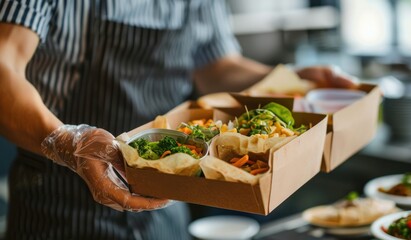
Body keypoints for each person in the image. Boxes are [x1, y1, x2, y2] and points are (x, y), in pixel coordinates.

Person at [0, 1, 356, 239]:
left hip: (167, 200)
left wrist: (293, 81)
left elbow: (216, 66)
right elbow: (4, 66)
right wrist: (69, 143)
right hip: (57, 201)